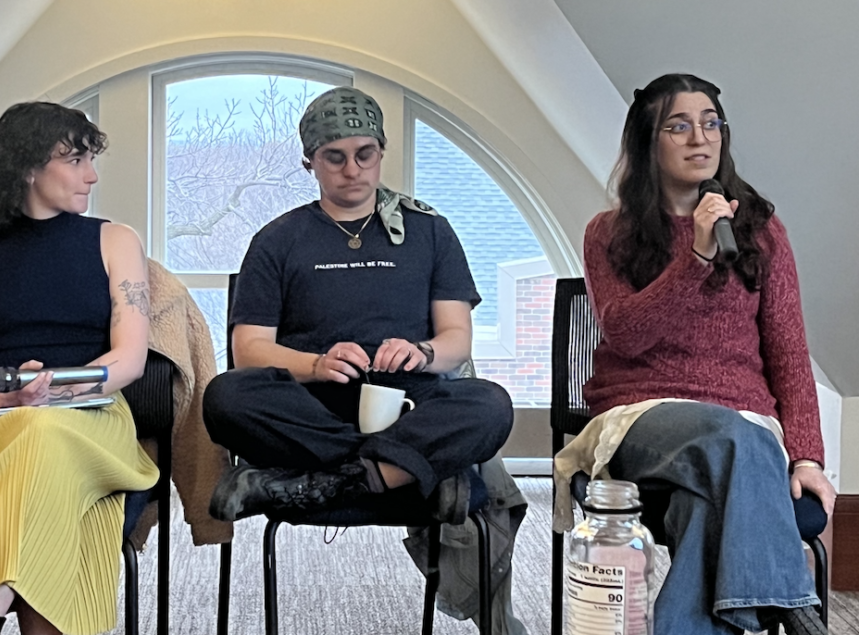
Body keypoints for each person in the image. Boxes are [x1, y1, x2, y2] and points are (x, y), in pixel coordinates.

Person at [559, 73, 835, 635]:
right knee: (731, 436)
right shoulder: (608, 233)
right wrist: (697, 259)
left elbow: (789, 352)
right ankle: (790, 600)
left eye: (710, 123)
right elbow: (626, 334)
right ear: (647, 141)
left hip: (743, 425)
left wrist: (807, 457)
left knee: (703, 507)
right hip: (639, 418)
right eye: (678, 126)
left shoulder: (763, 232)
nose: (699, 138)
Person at [202, 86, 514, 525]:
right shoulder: (276, 240)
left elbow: (457, 339)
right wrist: (315, 365)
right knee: (225, 397)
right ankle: (400, 472)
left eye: (364, 153)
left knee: (490, 404)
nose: (352, 169)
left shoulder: (431, 232)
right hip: (310, 409)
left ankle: (327, 481)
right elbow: (249, 350)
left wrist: (421, 352)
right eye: (335, 157)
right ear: (310, 161)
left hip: (408, 406)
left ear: (381, 152)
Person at [0, 102, 159, 635]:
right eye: (74, 160)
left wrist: (54, 392)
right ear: (27, 167)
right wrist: (7, 391)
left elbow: (129, 359)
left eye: (90, 159)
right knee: (33, 434)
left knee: (43, 429)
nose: (91, 174)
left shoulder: (115, 240)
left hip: (91, 418)